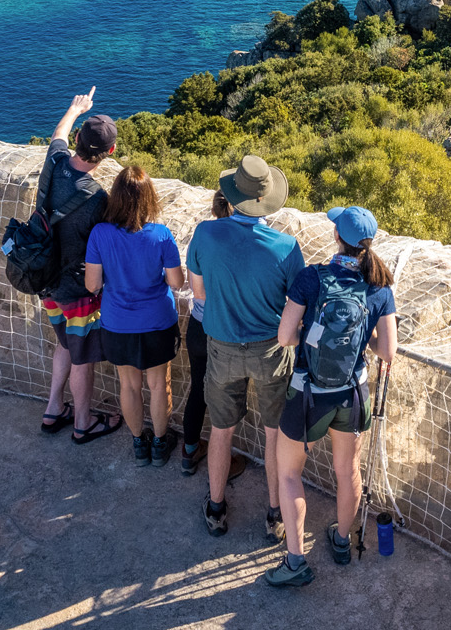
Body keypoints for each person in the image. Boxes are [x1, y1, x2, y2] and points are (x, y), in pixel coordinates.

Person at [265, 205, 397, 588]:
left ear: (337, 238)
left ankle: (295, 562)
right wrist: (361, 336)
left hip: (308, 393)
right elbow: (388, 351)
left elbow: (286, 337)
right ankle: (341, 541)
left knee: (289, 473)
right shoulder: (379, 286)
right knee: (347, 471)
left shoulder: (312, 278)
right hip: (353, 394)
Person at [186, 154, 305, 540]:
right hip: (271, 351)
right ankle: (275, 515)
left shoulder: (205, 234)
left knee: (221, 430)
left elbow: (198, 292)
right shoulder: (287, 247)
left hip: (221, 347)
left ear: (233, 195)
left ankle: (217, 509)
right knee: (274, 433)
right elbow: (296, 306)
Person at [37, 88, 124, 445]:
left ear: (77, 140)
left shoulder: (55, 162)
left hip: (46, 279)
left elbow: (57, 135)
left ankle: (54, 408)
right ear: (110, 153)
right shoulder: (98, 198)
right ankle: (83, 422)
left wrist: (75, 109)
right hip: (77, 291)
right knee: (81, 357)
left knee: (64, 346)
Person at [84, 166, 184, 466]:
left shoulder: (100, 234)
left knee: (128, 385)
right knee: (158, 386)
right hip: (157, 322)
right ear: (149, 198)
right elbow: (177, 282)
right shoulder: (161, 235)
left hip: (117, 323)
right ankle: (159, 443)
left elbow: (92, 284)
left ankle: (139, 444)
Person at [178, 192, 248, 487]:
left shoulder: (202, 235)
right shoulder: (246, 242)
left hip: (199, 324)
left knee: (198, 389)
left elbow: (198, 291)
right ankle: (225, 462)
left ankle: (189, 451)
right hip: (229, 331)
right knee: (228, 401)